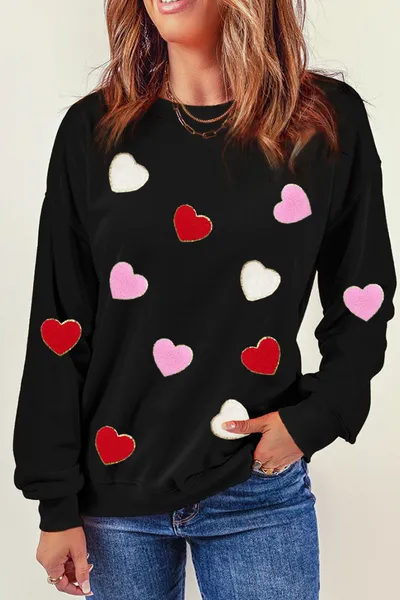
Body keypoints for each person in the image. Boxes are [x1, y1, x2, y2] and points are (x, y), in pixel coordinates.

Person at [13, 0, 396, 598]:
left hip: (257, 489)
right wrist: (54, 501)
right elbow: (59, 321)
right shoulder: (94, 131)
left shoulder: (322, 122)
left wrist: (319, 416)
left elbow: (362, 291)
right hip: (113, 497)